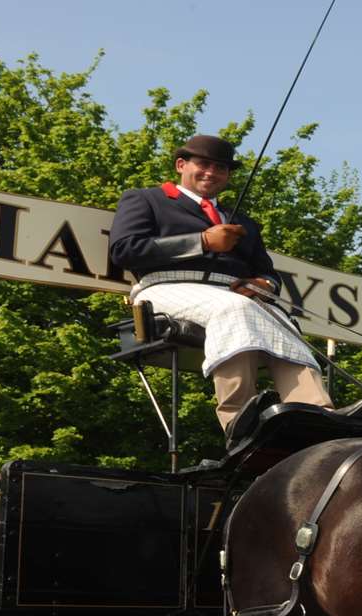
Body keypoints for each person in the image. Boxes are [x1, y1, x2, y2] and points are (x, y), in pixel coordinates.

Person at [109, 134, 332, 434]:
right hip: (164, 287)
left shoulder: (242, 220)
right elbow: (124, 250)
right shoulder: (146, 199)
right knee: (235, 308)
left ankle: (316, 414)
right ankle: (239, 420)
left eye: (221, 168)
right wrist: (201, 241)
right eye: (203, 164)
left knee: (285, 321)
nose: (211, 173)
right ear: (181, 165)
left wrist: (264, 284)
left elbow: (267, 272)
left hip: (231, 293)